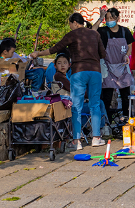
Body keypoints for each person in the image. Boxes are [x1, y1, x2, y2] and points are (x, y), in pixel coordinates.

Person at [31, 13, 106, 149]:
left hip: (79, 72)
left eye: (70, 24)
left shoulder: (72, 35)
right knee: (95, 105)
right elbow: (103, 54)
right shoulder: (95, 35)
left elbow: (55, 49)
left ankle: (76, 141)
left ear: (75, 23)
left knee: (76, 106)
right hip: (95, 72)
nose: (70, 27)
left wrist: (38, 53)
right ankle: (96, 138)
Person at [97, 7, 135, 123]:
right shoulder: (103, 32)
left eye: (111, 18)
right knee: (107, 97)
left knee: (126, 97)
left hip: (122, 67)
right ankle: (107, 123)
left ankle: (127, 120)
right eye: (107, 18)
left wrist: (127, 56)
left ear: (118, 18)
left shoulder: (125, 31)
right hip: (108, 68)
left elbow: (130, 46)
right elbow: (93, 31)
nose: (109, 20)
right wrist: (100, 17)